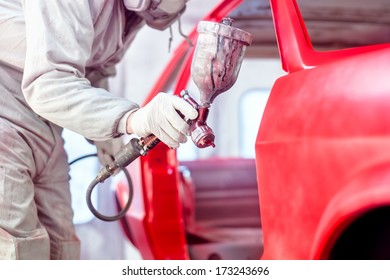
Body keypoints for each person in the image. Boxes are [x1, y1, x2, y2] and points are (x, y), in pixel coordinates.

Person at [0, 0, 198, 259]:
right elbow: (48, 85)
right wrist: (129, 118)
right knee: (19, 251)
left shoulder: (129, 13)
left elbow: (90, 67)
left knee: (63, 248)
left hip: (45, 123)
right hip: (7, 112)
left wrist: (104, 133)